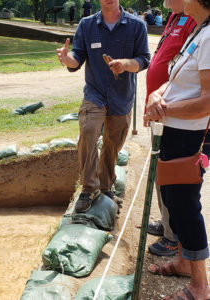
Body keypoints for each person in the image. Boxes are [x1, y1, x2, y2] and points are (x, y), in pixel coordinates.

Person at [56, 0, 150, 213]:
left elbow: (144, 59)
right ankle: (89, 188)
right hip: (95, 93)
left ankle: (106, 186)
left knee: (112, 144)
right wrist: (67, 58)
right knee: (89, 130)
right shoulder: (86, 25)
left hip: (122, 96)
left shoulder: (137, 25)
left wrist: (126, 64)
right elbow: (77, 58)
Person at [144, 0, 210, 297]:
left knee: (185, 206)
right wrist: (157, 95)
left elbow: (207, 101)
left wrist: (164, 109)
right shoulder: (199, 30)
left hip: (188, 136)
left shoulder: (209, 36)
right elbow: (173, 79)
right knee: (173, 200)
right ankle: (184, 261)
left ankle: (200, 286)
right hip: (175, 130)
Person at [145, 0, 196, 256]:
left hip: (173, 113)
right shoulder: (175, 16)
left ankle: (173, 235)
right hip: (160, 110)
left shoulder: (195, 20)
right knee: (159, 172)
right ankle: (166, 224)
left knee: (171, 176)